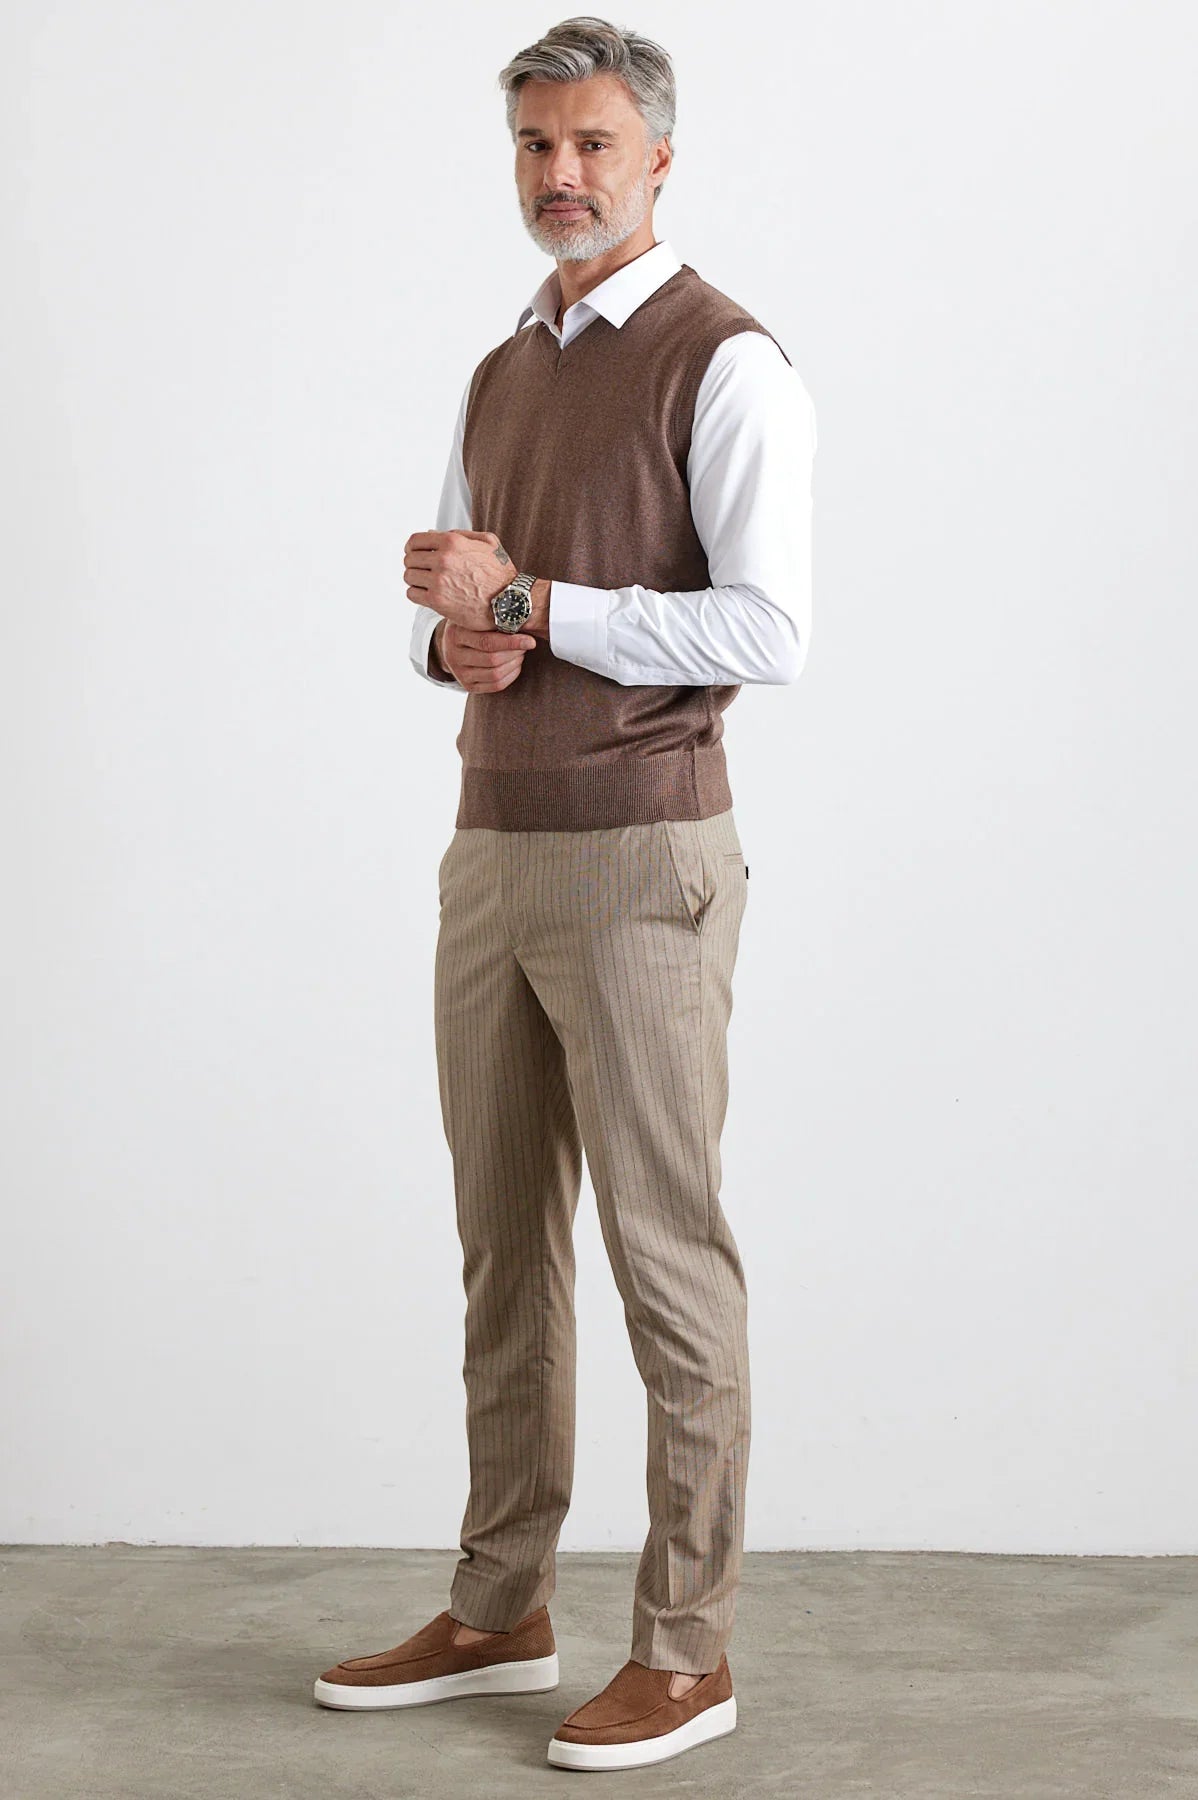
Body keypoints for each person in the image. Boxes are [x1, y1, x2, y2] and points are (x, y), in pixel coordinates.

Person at [313, 14, 817, 1774]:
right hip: (493, 846)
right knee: (502, 1247)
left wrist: (524, 606)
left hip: (643, 855)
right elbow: (473, 611)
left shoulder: (726, 360)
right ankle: (501, 1604)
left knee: (666, 1256)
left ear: (659, 156)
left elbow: (769, 628)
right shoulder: (500, 370)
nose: (561, 174)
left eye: (594, 142)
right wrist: (453, 639)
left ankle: (687, 1650)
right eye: (535, 144)